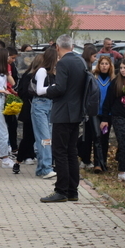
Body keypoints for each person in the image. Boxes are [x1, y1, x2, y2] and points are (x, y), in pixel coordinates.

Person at [39, 35, 87, 202]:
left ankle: (61, 190)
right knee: (71, 152)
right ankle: (73, 190)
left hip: (62, 113)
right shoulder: (81, 61)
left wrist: (46, 90)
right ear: (72, 46)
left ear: (58, 47)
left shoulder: (63, 63)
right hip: (76, 112)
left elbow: (60, 88)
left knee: (60, 152)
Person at [31, 45, 58, 180]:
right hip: (40, 105)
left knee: (47, 138)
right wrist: (53, 87)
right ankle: (47, 167)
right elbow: (39, 90)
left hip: (49, 105)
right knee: (45, 137)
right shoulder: (42, 71)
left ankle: (42, 167)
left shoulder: (54, 73)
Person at [81, 56, 113, 171]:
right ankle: (96, 164)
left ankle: (103, 161)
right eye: (102, 64)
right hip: (94, 112)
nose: (104, 66)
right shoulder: (94, 78)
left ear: (110, 66)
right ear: (98, 65)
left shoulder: (112, 80)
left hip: (107, 113)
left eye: (106, 64)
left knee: (104, 138)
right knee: (96, 137)